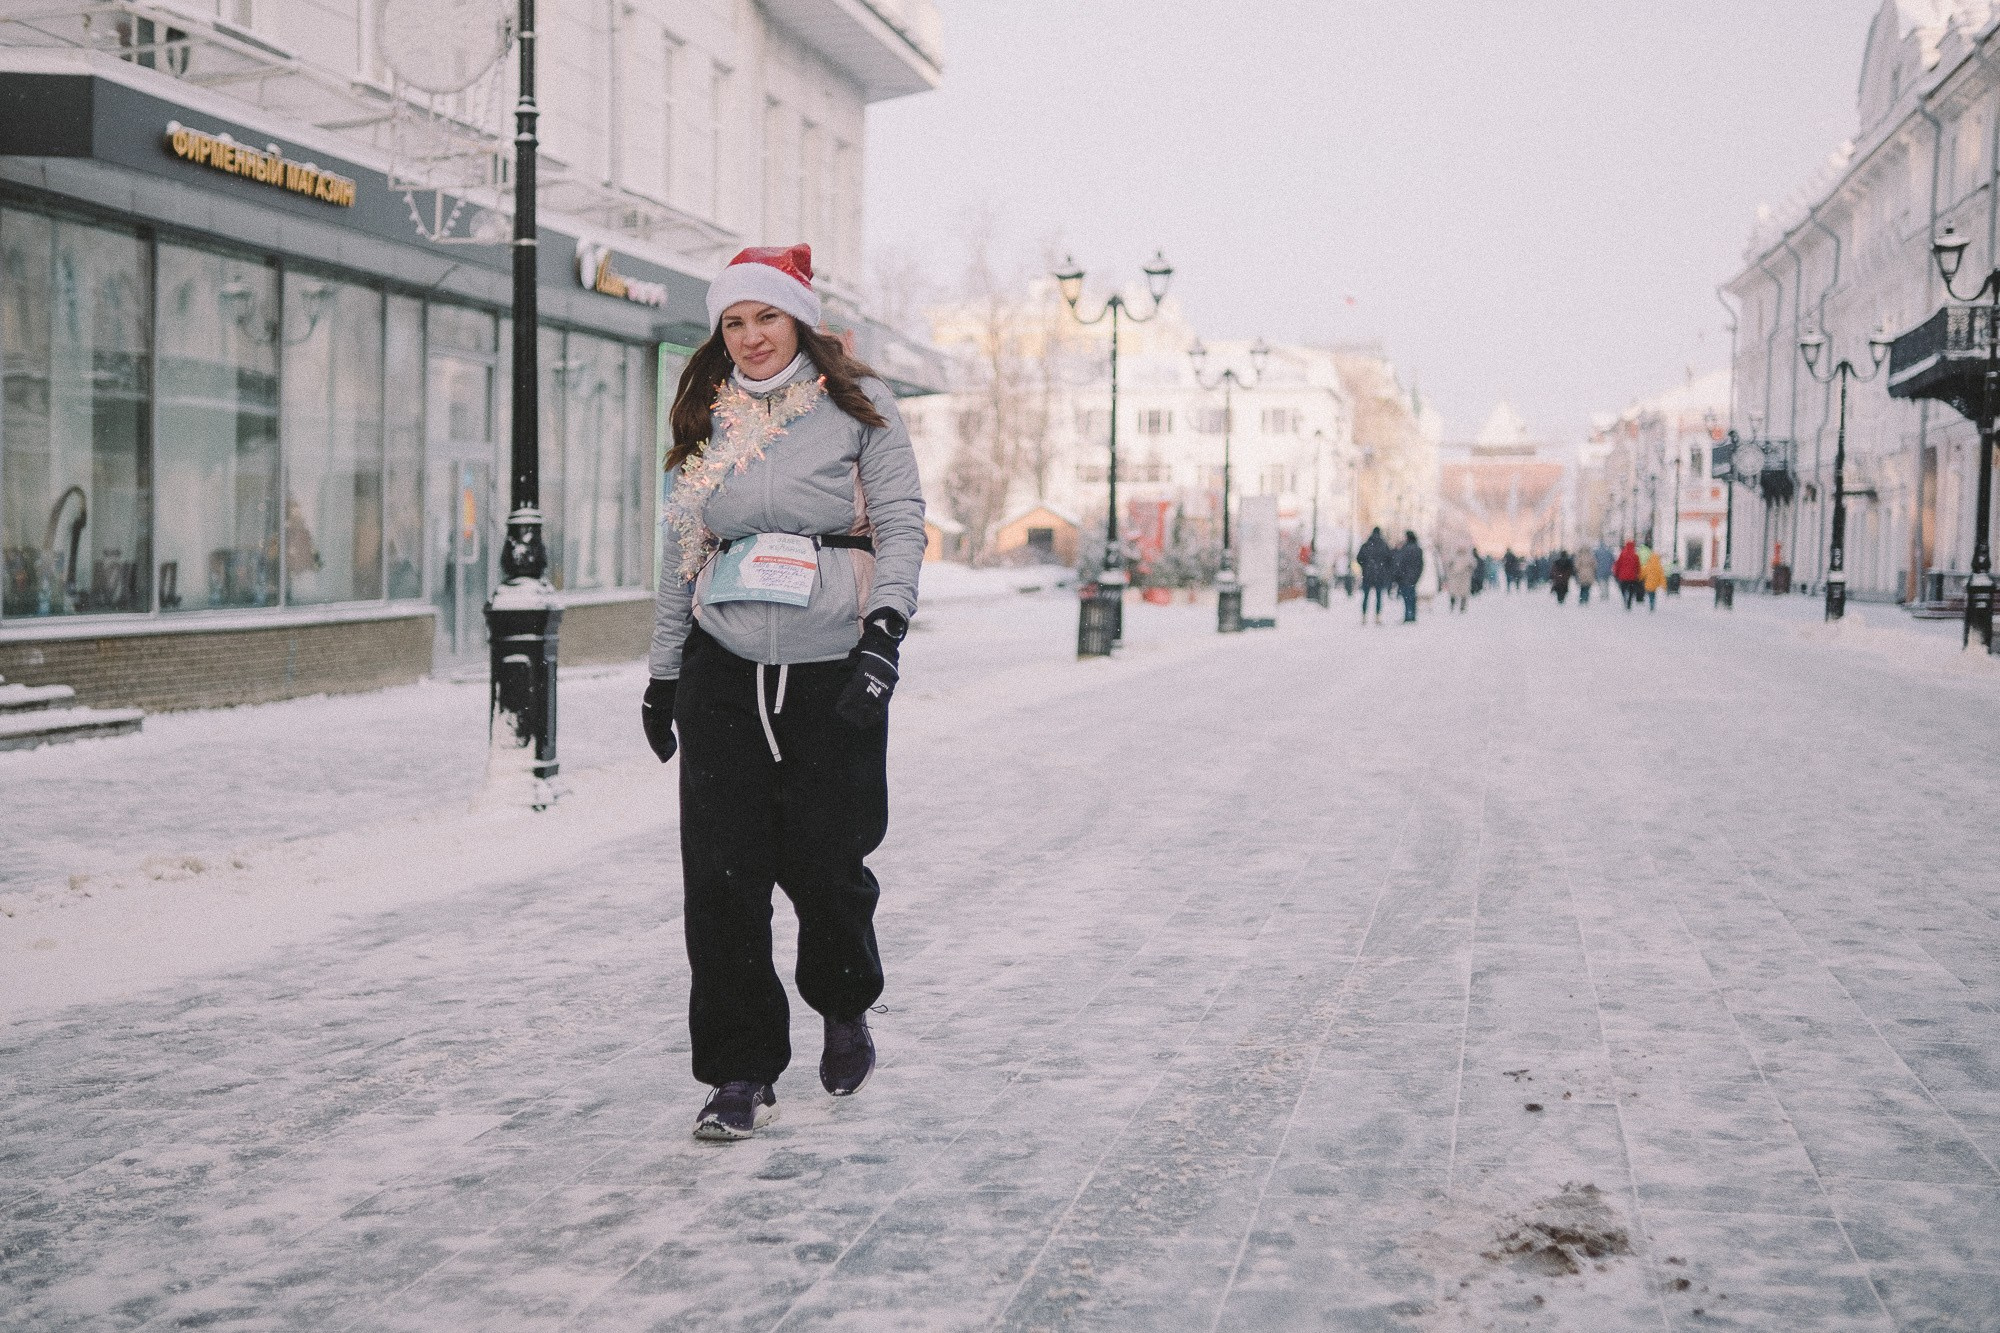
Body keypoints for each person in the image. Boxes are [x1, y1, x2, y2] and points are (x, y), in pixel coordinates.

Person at [643, 244, 926, 1142]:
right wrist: (662, 671)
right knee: (721, 876)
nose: (751, 337)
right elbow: (680, 545)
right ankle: (739, 1069)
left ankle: (845, 1006)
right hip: (723, 662)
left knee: (826, 862)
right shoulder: (709, 410)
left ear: (799, 318)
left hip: (830, 661)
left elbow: (904, 524)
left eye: (766, 317)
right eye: (734, 322)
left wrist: (884, 637)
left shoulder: (858, 407)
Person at [1357, 526, 1393, 624]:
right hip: (1380, 574)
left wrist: (1365, 566)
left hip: (1367, 574)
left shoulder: (1366, 545)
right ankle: (1377, 617)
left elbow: (1359, 558)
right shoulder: (1383, 545)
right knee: (1378, 596)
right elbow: (1390, 559)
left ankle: (1364, 616)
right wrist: (1384, 568)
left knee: (1366, 596)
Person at [1393, 529, 1425, 623]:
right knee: (1412, 597)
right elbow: (1421, 564)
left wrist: (1398, 575)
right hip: (1413, 577)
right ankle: (1412, 615)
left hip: (1405, 577)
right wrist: (1417, 576)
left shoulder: (1405, 549)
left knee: (1407, 598)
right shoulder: (1418, 549)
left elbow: (1400, 563)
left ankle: (1408, 615)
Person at [1443, 545, 1474, 612]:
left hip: (1463, 578)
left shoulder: (1467, 558)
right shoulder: (1454, 557)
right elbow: (1449, 566)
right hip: (1456, 578)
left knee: (1463, 593)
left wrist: (1467, 570)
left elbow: (1472, 566)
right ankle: (1453, 606)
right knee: (1454, 592)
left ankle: (1461, 607)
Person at [1613, 538, 1642, 610]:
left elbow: (1618, 564)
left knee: (1623, 589)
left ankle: (1625, 598)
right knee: (1631, 590)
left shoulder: (1622, 554)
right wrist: (1638, 574)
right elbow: (1638, 566)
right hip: (1632, 577)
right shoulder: (1635, 555)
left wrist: (1616, 573)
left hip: (1623, 576)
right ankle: (1629, 601)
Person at [1642, 545, 1667, 611]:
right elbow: (1662, 576)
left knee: (1649, 593)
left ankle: (1650, 603)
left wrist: (1640, 577)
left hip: (1648, 582)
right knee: (1653, 594)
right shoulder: (1659, 566)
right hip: (1655, 583)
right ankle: (1652, 604)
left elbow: (1643, 572)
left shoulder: (1648, 564)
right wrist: (1663, 585)